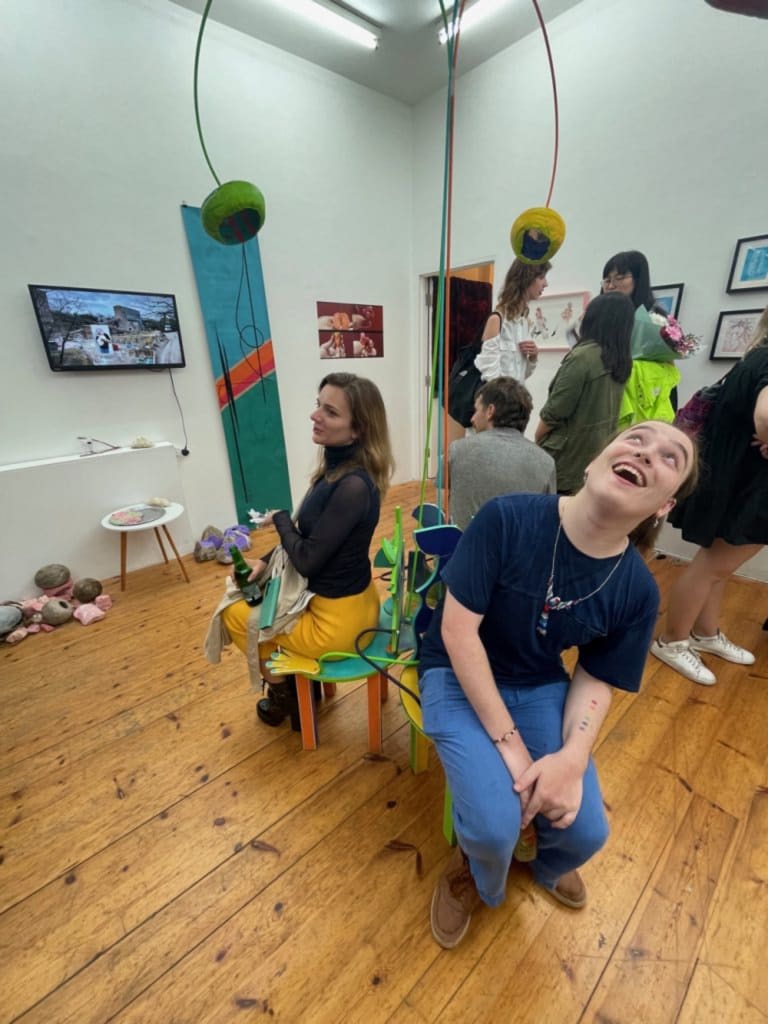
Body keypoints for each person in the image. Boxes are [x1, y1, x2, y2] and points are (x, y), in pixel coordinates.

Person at [418, 420, 699, 949]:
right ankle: (478, 874)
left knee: (587, 831)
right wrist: (516, 754)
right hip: (455, 672)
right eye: (636, 438)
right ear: (595, 461)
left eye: (670, 457)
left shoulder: (637, 591)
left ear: (665, 506)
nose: (645, 453)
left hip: (538, 680)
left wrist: (573, 756)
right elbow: (457, 633)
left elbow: (596, 675)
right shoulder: (508, 518)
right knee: (491, 829)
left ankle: (543, 865)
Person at [220, 372, 394, 727]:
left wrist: (280, 518)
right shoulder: (336, 471)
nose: (315, 416)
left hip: (339, 623)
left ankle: (288, 695)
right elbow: (312, 533)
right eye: (319, 406)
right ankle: (301, 686)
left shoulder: (353, 486)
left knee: (236, 614)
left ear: (358, 429)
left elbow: (308, 558)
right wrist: (265, 562)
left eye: (330, 412)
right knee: (257, 598)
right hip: (349, 603)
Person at [651, 309, 768, 685]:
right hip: (748, 487)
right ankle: (672, 641)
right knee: (712, 566)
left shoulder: (755, 357)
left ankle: (704, 633)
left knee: (716, 564)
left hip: (735, 480)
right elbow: (765, 417)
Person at [535, 292, 634, 494]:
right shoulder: (621, 359)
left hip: (565, 457)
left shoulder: (582, 357)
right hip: (593, 454)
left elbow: (556, 410)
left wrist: (537, 438)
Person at [448, 377, 556, 530]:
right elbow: (546, 519)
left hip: (466, 549)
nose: (472, 418)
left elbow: (443, 485)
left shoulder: (457, 449)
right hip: (519, 551)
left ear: (490, 411)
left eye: (476, 410)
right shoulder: (546, 463)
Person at [602, 249, 681, 421]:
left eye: (620, 277)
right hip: (606, 393)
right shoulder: (599, 316)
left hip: (647, 400)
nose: (611, 285)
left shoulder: (656, 319)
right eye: (607, 279)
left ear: (638, 279)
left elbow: (669, 367)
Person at [474, 259, 551, 385]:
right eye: (541, 277)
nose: (546, 284)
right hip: (500, 402)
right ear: (526, 278)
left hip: (517, 400)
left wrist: (533, 357)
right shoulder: (498, 320)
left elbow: (521, 376)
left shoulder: (525, 323)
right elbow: (490, 378)